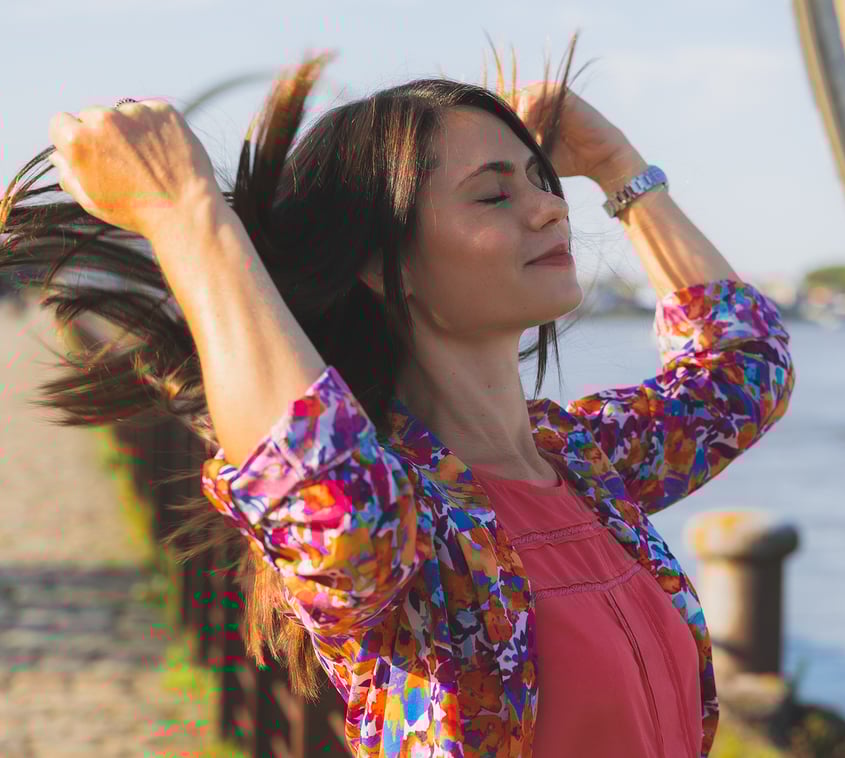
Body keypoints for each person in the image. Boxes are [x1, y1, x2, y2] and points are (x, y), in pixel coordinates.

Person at [4, 36, 795, 758]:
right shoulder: (414, 520)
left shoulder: (586, 466)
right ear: (386, 265)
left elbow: (744, 368)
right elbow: (330, 503)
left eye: (542, 181)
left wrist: (617, 165)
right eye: (493, 196)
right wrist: (184, 215)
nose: (552, 206)